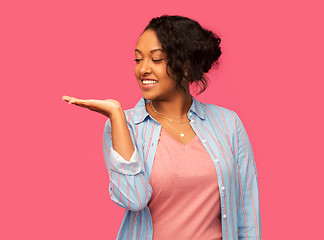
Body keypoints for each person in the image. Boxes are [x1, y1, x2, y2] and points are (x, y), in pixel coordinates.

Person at [62, 15, 262, 240]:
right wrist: (117, 115)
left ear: (186, 66)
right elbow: (133, 198)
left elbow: (247, 212)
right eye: (138, 60)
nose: (143, 70)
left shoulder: (228, 124)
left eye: (156, 59)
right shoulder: (122, 127)